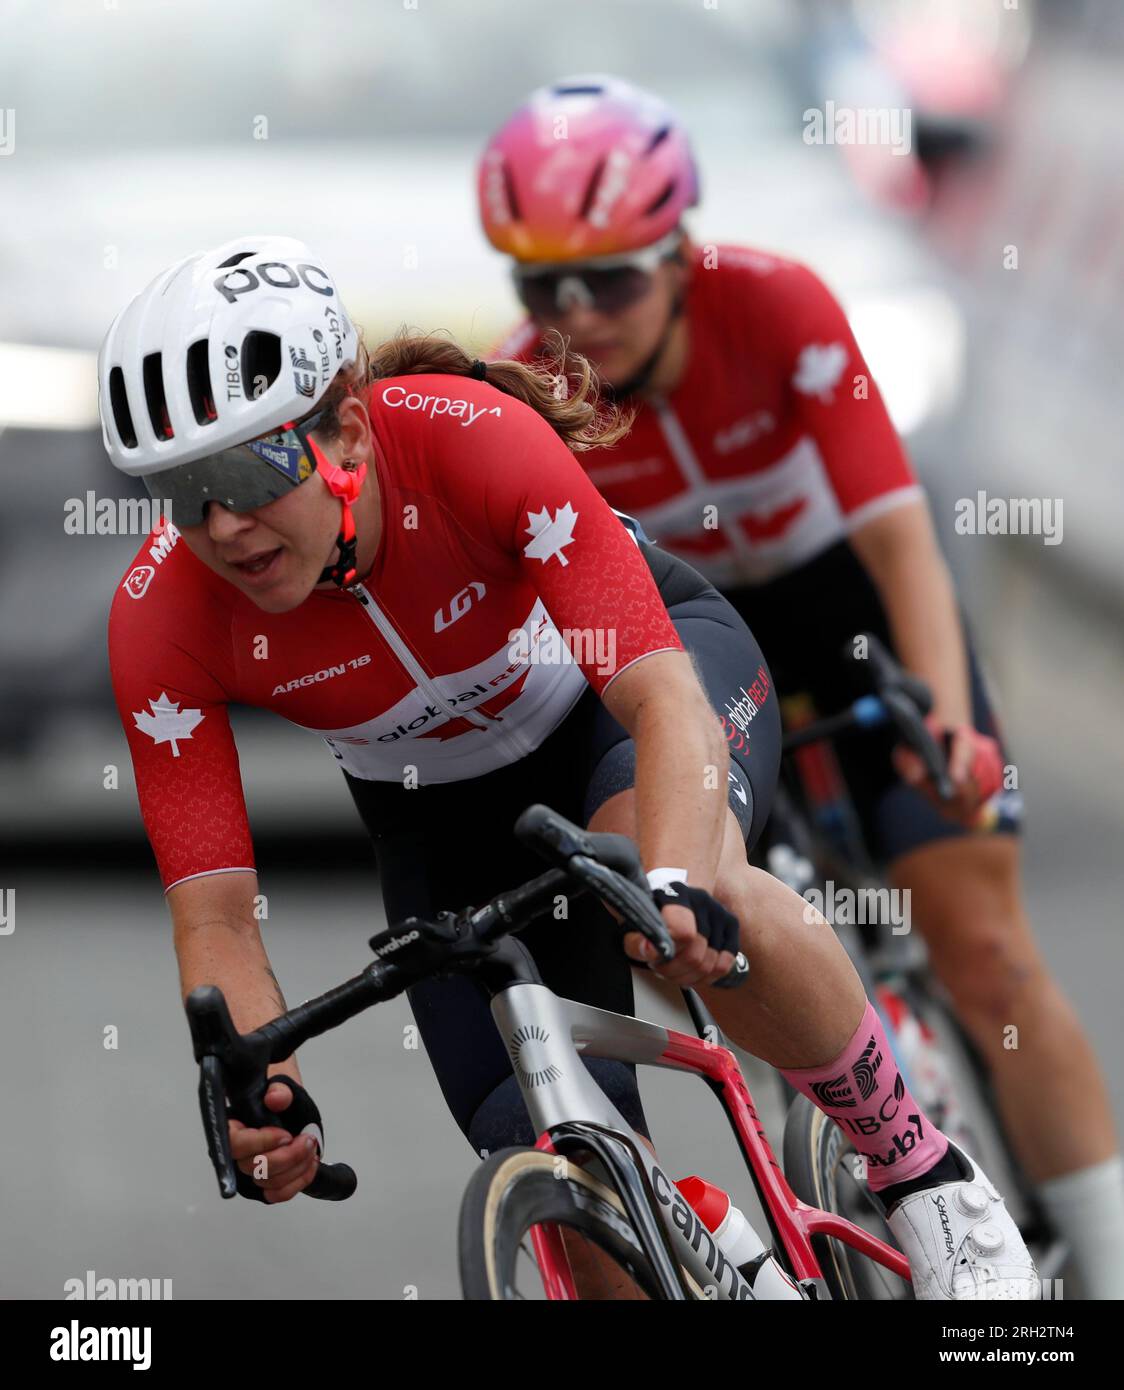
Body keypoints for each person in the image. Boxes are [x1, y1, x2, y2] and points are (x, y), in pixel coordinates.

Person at [101, 235, 1037, 1299]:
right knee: (560, 1182)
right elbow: (215, 913)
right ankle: (702, 1238)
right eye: (181, 491)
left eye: (242, 470)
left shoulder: (473, 445)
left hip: (627, 701)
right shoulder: (159, 619)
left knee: (691, 881)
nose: (220, 525)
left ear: (344, 431)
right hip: (442, 817)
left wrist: (679, 884)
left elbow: (660, 698)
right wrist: (260, 1082)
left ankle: (927, 1179)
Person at [477, 75, 1124, 1297]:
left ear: (677, 250)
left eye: (607, 278)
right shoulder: (535, 391)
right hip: (704, 655)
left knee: (982, 948)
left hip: (852, 623)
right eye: (538, 283)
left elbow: (898, 541)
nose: (576, 315)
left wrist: (941, 705)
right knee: (675, 904)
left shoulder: (773, 306)